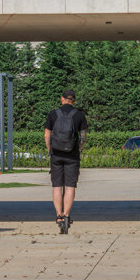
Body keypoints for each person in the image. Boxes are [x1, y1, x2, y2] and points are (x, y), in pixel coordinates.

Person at [45, 89, 87, 234]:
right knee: (70, 186)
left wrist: (50, 149)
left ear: (62, 99)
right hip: (72, 155)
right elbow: (83, 138)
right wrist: (78, 149)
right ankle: (67, 215)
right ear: (73, 101)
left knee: (57, 186)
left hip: (56, 155)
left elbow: (46, 135)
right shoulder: (79, 115)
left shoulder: (53, 114)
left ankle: (59, 216)